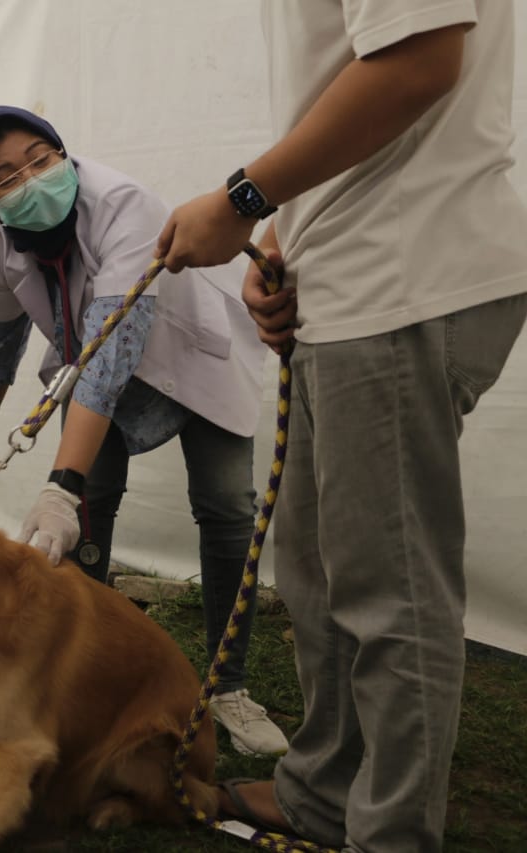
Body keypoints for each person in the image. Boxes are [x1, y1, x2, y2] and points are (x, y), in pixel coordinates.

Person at [156, 3, 527, 851]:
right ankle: (325, 791)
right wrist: (288, 234)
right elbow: (355, 82)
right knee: (320, 570)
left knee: (387, 589)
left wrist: (244, 199)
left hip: (403, 274)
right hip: (353, 277)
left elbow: (419, 63)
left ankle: (390, 833)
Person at [0, 106, 288, 757]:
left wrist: (58, 481)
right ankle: (84, 680)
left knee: (224, 507)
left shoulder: (123, 204)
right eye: (8, 175)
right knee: (87, 512)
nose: (33, 178)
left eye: (42, 159)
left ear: (64, 154)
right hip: (91, 368)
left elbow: (112, 349)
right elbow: (2, 339)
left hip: (191, 357)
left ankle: (228, 685)